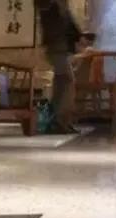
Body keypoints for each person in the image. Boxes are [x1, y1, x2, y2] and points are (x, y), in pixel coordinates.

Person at [39, 0, 81, 133]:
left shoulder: (55, 6)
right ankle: (60, 122)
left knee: (61, 84)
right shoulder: (52, 6)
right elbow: (62, 25)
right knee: (67, 82)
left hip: (58, 48)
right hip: (57, 48)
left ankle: (58, 121)